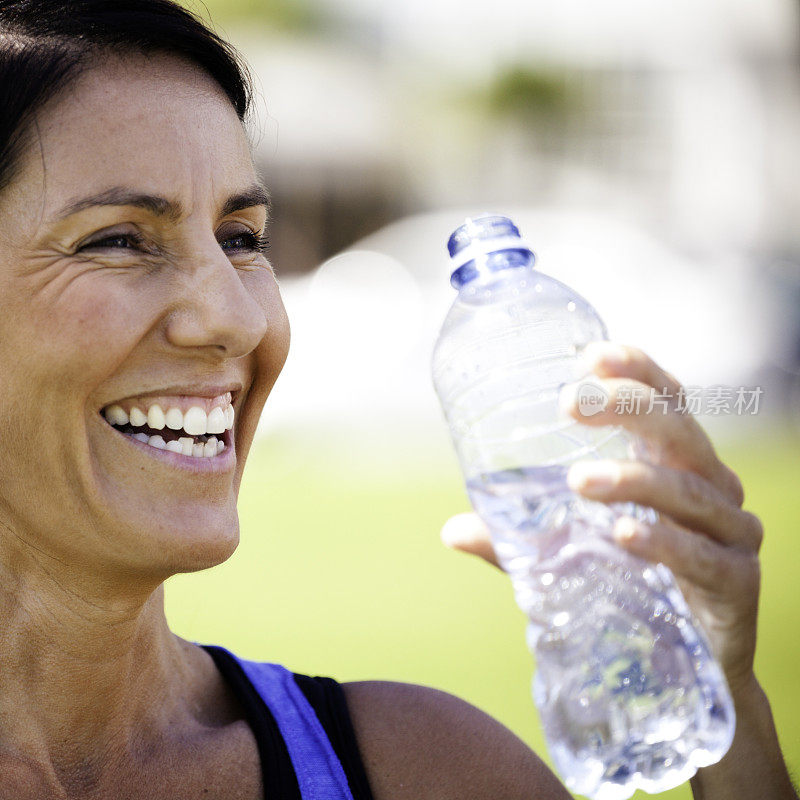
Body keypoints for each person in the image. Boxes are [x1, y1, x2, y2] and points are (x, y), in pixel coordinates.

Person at [0, 1, 795, 798]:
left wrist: (719, 707)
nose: (237, 319)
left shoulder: (424, 769)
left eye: (242, 238)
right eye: (118, 240)